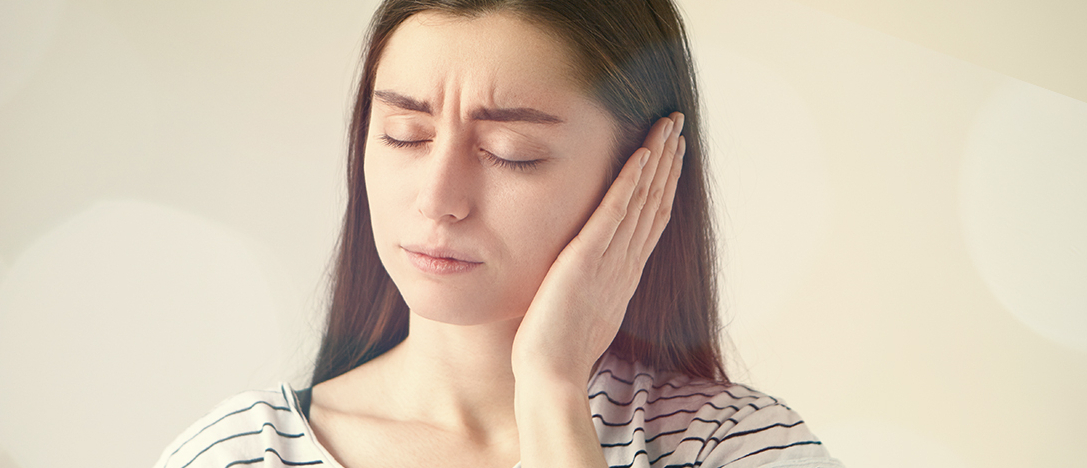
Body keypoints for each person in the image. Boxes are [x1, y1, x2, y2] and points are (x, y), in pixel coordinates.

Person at [156, 0, 844, 467]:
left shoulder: (727, 445)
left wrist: (551, 394)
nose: (437, 199)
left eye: (511, 151)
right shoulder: (242, 453)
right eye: (404, 136)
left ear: (642, 170)